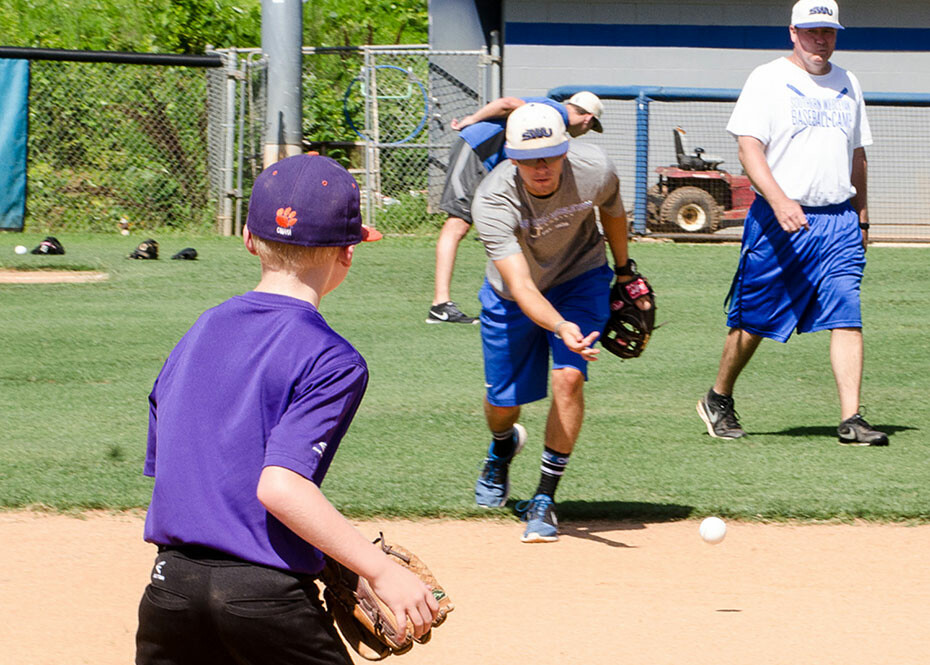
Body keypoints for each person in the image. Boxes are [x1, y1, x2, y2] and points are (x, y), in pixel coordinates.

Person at [135, 154, 440, 665]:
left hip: (170, 591)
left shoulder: (199, 331)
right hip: (265, 601)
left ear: (250, 240)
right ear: (347, 253)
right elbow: (279, 486)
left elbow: (171, 465)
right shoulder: (333, 358)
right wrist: (377, 569)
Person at [696, 0, 888, 446]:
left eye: (829, 32)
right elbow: (748, 148)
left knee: (847, 312)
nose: (821, 40)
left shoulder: (848, 82)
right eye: (812, 31)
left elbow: (858, 155)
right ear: (793, 32)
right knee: (754, 320)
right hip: (779, 220)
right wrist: (779, 199)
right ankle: (718, 396)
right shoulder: (768, 78)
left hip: (838, 219)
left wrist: (861, 216)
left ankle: (851, 418)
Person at [470, 102, 650, 542]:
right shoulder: (493, 200)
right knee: (502, 404)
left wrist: (624, 270)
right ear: (512, 157)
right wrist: (559, 326)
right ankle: (502, 446)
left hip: (580, 277)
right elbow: (524, 286)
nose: (541, 167)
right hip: (514, 295)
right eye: (529, 160)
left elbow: (613, 211)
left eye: (549, 155)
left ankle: (545, 499)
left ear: (567, 149)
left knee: (569, 378)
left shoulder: (595, 168)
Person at [427, 91, 605, 324]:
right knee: (457, 223)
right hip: (476, 148)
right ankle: (440, 305)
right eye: (590, 128)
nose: (585, 132)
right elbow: (507, 104)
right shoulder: (552, 113)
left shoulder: (554, 120)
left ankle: (530, 296)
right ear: (588, 118)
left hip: (492, 160)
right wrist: (472, 119)